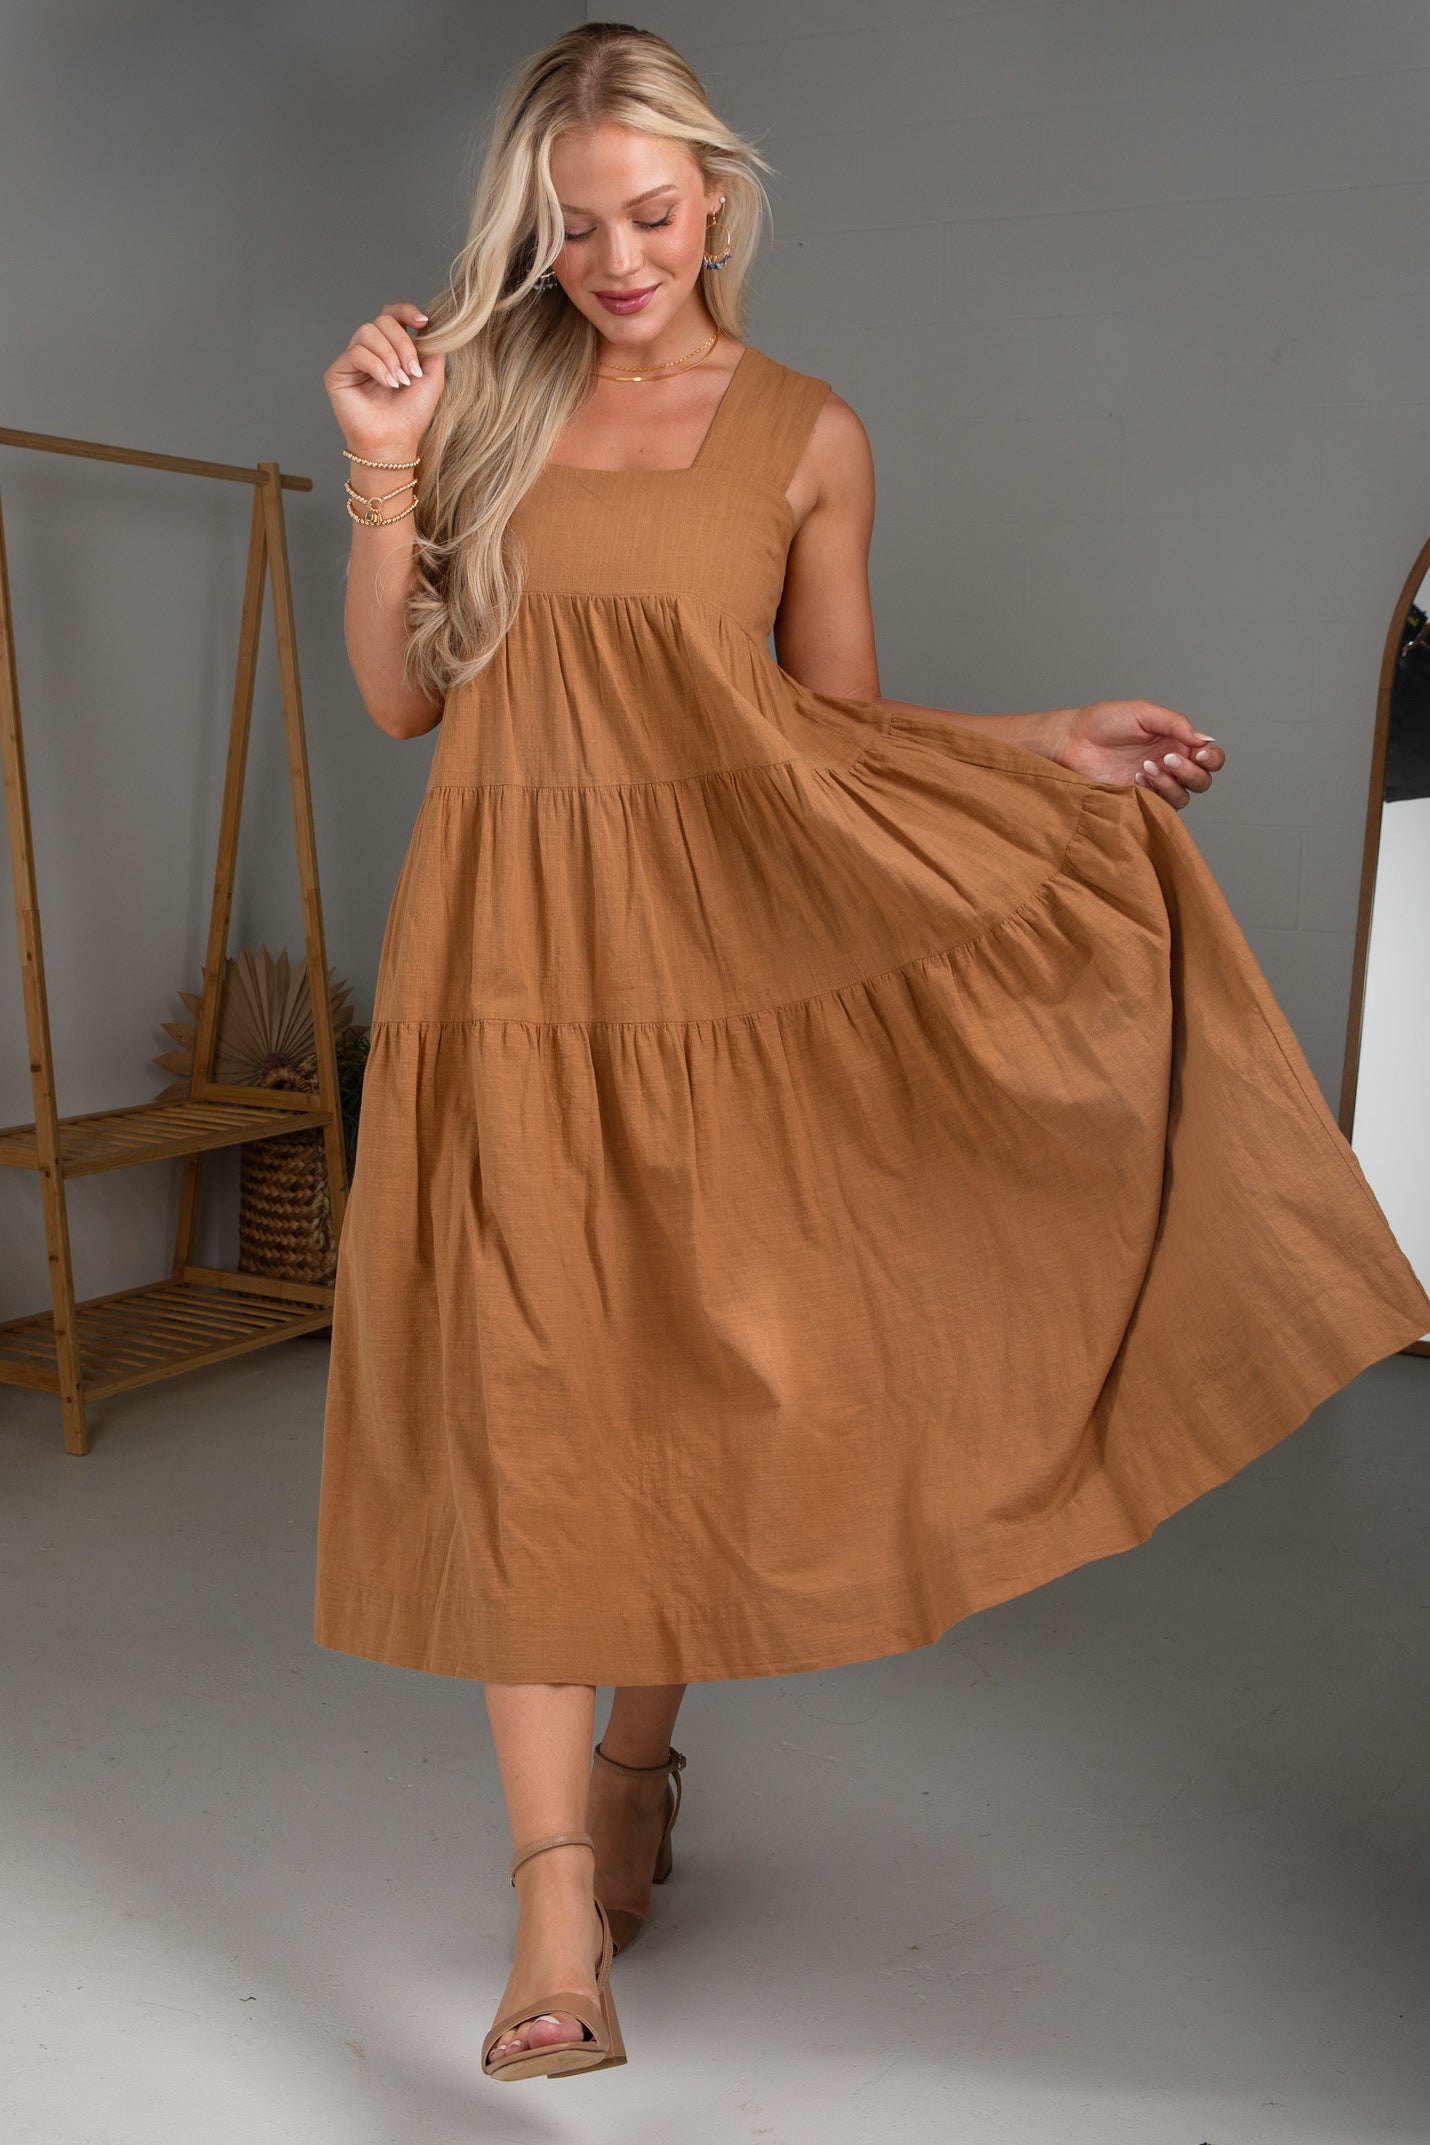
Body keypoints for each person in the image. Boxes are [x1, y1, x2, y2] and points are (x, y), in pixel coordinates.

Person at [315, 21, 1430, 2086]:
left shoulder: (810, 435)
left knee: (684, 1380)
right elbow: (398, 697)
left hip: (716, 980)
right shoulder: (476, 396)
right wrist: (384, 460)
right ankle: (556, 1899)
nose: (613, 258)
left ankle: (641, 1762)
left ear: (719, 197)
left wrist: (1045, 750)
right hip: (509, 965)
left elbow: (829, 749)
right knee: (527, 1397)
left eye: (646, 215)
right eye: (570, 227)